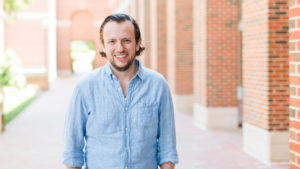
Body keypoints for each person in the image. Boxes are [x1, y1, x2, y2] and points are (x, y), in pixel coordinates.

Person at [63, 13, 178, 169]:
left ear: (137, 44)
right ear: (103, 45)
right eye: (112, 41)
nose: (120, 48)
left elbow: (167, 150)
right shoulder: (84, 87)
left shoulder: (158, 86)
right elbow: (73, 154)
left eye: (126, 40)